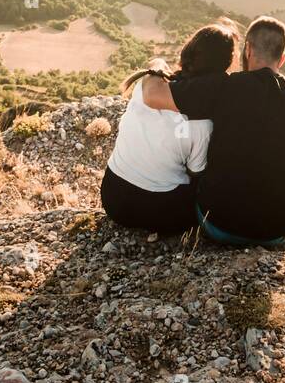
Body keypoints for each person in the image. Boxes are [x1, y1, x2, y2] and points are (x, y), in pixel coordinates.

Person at [141, 16, 285, 246]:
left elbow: (152, 95)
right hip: (276, 230)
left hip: (217, 223)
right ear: (282, 58)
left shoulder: (223, 87)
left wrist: (155, 67)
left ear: (248, 50)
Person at [100, 21, 238, 234]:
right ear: (223, 69)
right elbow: (196, 173)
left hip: (113, 198)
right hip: (161, 212)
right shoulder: (202, 124)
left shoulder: (147, 83)